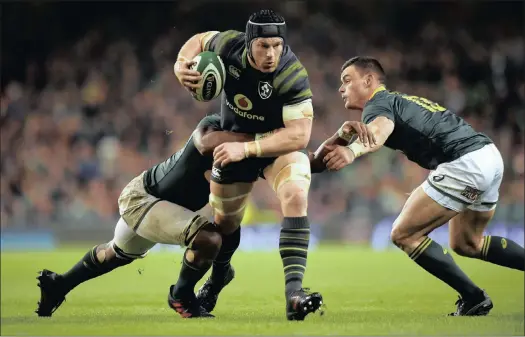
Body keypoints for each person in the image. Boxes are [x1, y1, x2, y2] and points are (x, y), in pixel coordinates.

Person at [317, 56, 525, 316]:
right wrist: (338, 140)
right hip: (488, 155)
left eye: (347, 80)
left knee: (403, 234)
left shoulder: (377, 104)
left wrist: (352, 152)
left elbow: (378, 133)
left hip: (464, 163)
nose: (341, 88)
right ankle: (474, 297)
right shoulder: (399, 100)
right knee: (468, 243)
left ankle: (474, 297)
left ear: (368, 80)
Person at [174, 9, 323, 321]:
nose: (271, 54)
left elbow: (299, 135)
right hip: (233, 141)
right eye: (263, 46)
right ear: (249, 42)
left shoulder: (292, 75)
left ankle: (294, 293)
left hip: (275, 145)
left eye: (277, 46)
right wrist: (181, 63)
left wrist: (248, 148)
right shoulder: (230, 46)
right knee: (225, 224)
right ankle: (216, 282)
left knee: (296, 193)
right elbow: (200, 40)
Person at [35, 114, 253, 319]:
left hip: (162, 206)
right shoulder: (213, 125)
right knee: (208, 239)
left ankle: (59, 285)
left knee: (114, 254)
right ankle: (182, 296)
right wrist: (256, 138)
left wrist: (219, 275)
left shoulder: (246, 155)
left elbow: (230, 222)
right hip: (142, 198)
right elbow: (205, 143)